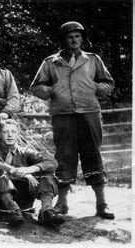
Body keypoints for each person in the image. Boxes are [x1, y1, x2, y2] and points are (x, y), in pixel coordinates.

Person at [30, 21, 115, 219]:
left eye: (77, 36)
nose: (74, 40)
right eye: (70, 36)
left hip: (89, 113)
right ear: (63, 39)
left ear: (82, 38)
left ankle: (102, 203)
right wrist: (52, 91)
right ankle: (62, 203)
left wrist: (94, 88)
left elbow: (108, 82)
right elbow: (37, 86)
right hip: (63, 115)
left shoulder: (93, 60)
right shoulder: (51, 62)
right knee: (64, 158)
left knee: (93, 155)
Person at [0, 119, 64, 227]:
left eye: (13, 132)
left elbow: (51, 162)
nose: (10, 135)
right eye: (5, 132)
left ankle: (46, 211)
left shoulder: (26, 152)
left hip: (23, 202)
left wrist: (29, 169)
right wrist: (15, 171)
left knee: (45, 174)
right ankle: (13, 211)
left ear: (18, 134)